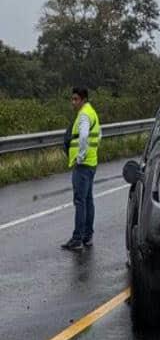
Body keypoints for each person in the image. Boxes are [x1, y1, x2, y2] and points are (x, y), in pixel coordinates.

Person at [61, 87, 102, 251]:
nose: (73, 102)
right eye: (72, 99)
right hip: (91, 163)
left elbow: (84, 136)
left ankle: (77, 239)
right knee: (88, 200)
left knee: (80, 201)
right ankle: (87, 236)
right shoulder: (92, 112)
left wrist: (80, 156)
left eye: (76, 99)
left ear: (83, 99)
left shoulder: (84, 114)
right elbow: (99, 135)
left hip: (83, 164)